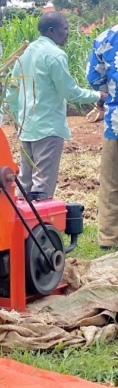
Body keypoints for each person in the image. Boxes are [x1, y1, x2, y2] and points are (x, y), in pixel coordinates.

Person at [8, 12, 104, 201]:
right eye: (65, 28)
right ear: (52, 30)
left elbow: (12, 90)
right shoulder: (55, 55)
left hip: (26, 128)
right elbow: (70, 91)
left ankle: (21, 218)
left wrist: (20, 119)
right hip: (48, 128)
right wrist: (98, 95)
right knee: (42, 186)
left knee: (25, 184)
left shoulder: (26, 53)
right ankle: (41, 217)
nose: (68, 33)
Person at [86, 22, 118, 250]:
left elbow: (94, 77)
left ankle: (108, 238)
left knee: (111, 182)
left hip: (115, 123)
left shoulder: (106, 38)